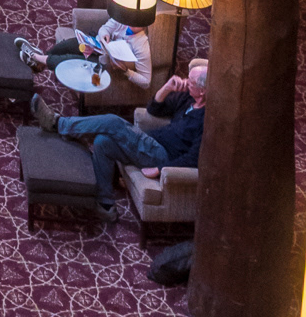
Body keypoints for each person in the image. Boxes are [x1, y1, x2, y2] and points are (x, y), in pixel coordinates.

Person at [34, 58, 208, 218]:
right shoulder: (187, 98)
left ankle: (58, 124)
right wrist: (167, 88)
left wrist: (160, 168)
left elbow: (193, 159)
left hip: (162, 155)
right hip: (150, 143)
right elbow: (154, 109)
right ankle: (105, 204)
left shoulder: (206, 120)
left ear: (203, 91)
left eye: (190, 82)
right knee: (103, 142)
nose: (185, 82)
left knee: (113, 121)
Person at [16, 16, 152, 95]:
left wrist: (126, 71)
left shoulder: (141, 45)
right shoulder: (122, 19)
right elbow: (105, 28)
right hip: (99, 48)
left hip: (106, 67)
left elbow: (146, 81)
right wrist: (104, 35)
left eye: (137, 23)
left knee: (72, 60)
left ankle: (35, 57)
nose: (132, 22)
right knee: (70, 44)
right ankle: (40, 63)